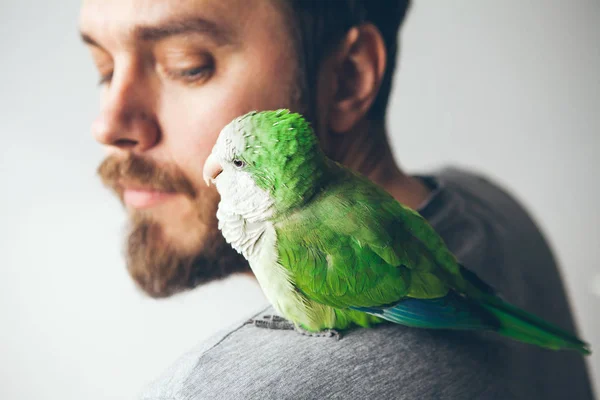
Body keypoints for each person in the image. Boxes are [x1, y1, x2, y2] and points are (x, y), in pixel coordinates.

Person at [79, 0, 594, 398]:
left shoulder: (213, 389)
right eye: (103, 70)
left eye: (187, 65)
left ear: (348, 77)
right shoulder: (486, 204)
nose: (107, 124)